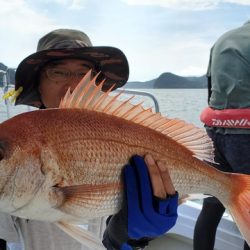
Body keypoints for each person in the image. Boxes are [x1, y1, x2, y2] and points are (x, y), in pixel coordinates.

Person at [0, 29, 179, 250]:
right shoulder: (16, 141)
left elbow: (112, 239)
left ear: (97, 84)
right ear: (38, 85)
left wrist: (131, 238)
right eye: (58, 72)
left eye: (84, 74)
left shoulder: (121, 131)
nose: (71, 85)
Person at [194, 21, 250, 250]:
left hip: (214, 132)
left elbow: (210, 87)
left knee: (212, 203)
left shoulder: (222, 40)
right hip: (246, 137)